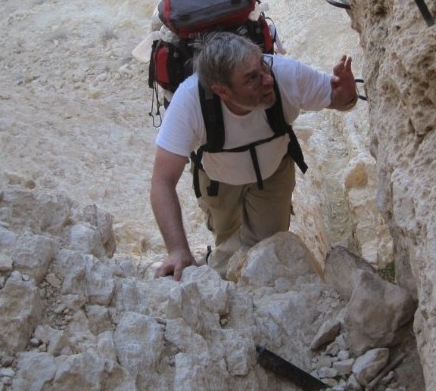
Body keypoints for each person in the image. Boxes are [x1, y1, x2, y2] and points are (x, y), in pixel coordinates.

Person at [150, 32, 358, 280]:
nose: (268, 80)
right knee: (226, 239)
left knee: (265, 248)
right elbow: (162, 181)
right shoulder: (189, 100)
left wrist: (347, 96)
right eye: (252, 79)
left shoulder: (285, 75)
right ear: (221, 91)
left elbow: (337, 99)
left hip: (273, 174)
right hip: (218, 181)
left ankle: (226, 276)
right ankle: (224, 273)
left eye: (263, 65)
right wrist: (177, 251)